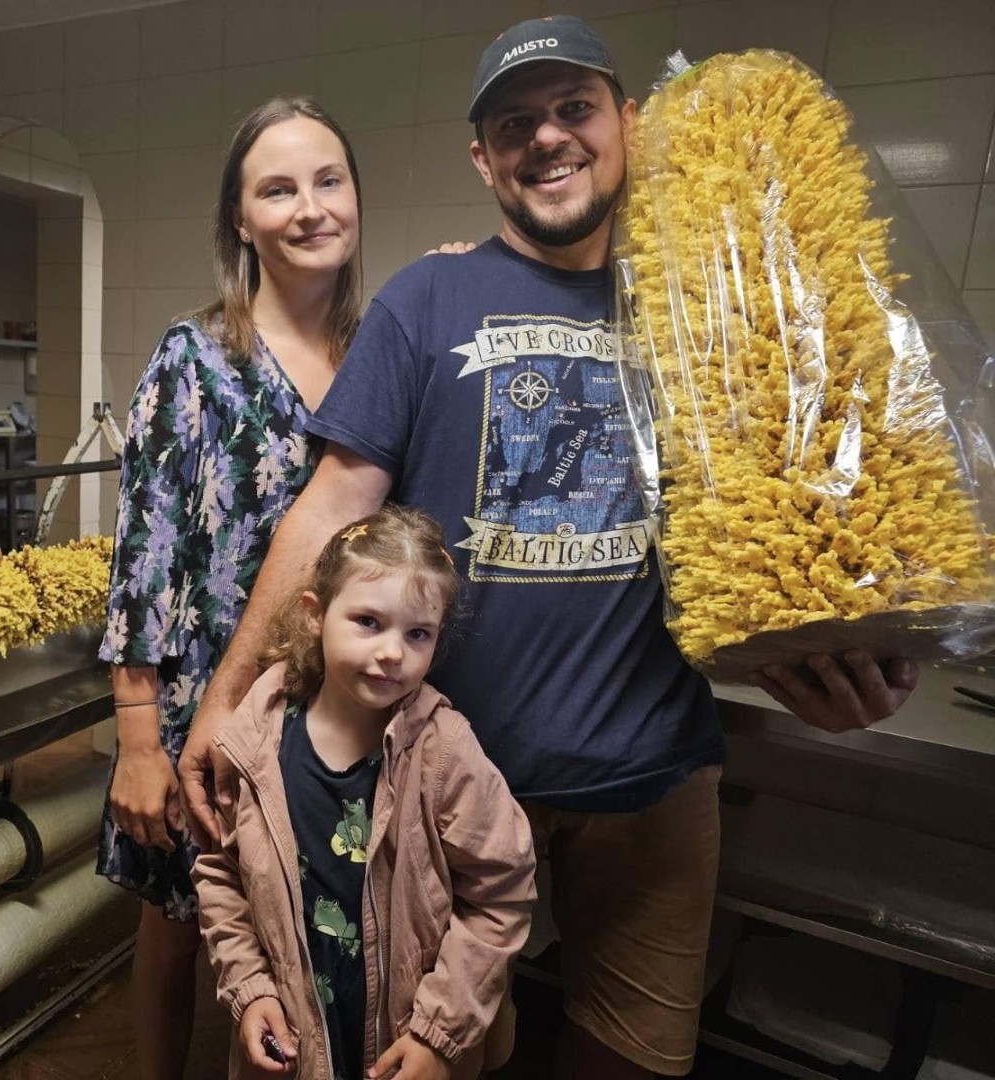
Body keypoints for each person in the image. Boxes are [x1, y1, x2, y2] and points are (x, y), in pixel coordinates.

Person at [178, 16, 918, 1080]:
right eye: (515, 123)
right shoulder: (426, 299)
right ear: (483, 159)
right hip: (443, 780)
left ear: (628, 124)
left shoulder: (710, 298)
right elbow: (333, 500)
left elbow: (797, 514)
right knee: (436, 1054)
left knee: (634, 1062)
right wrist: (222, 699)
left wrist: (848, 651)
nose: (549, 137)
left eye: (575, 109)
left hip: (654, 782)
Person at [96, 96, 363, 1080]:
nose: (309, 207)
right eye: (277, 189)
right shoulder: (197, 357)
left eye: (328, 180)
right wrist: (138, 745)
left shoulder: (383, 353)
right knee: (179, 926)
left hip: (335, 701)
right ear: (241, 221)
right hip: (201, 704)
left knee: (305, 925)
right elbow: (145, 556)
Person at [194, 505, 536, 1080]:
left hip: (407, 1047)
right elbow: (221, 873)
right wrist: (251, 989)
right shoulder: (255, 739)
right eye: (368, 622)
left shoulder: (445, 752)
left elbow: (501, 896)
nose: (393, 652)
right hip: (293, 1049)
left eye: (417, 633)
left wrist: (438, 1036)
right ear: (314, 615)